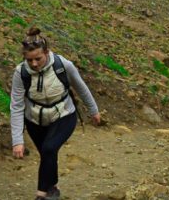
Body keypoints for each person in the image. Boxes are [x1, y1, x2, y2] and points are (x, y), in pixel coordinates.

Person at [10, 27, 101, 200]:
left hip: (64, 115)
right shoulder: (20, 73)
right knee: (47, 154)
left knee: (49, 148)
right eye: (29, 60)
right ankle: (53, 188)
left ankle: (41, 194)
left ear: (47, 52)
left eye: (38, 58)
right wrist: (17, 141)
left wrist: (93, 110)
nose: (34, 64)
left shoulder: (63, 65)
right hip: (34, 120)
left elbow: (81, 88)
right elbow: (16, 106)